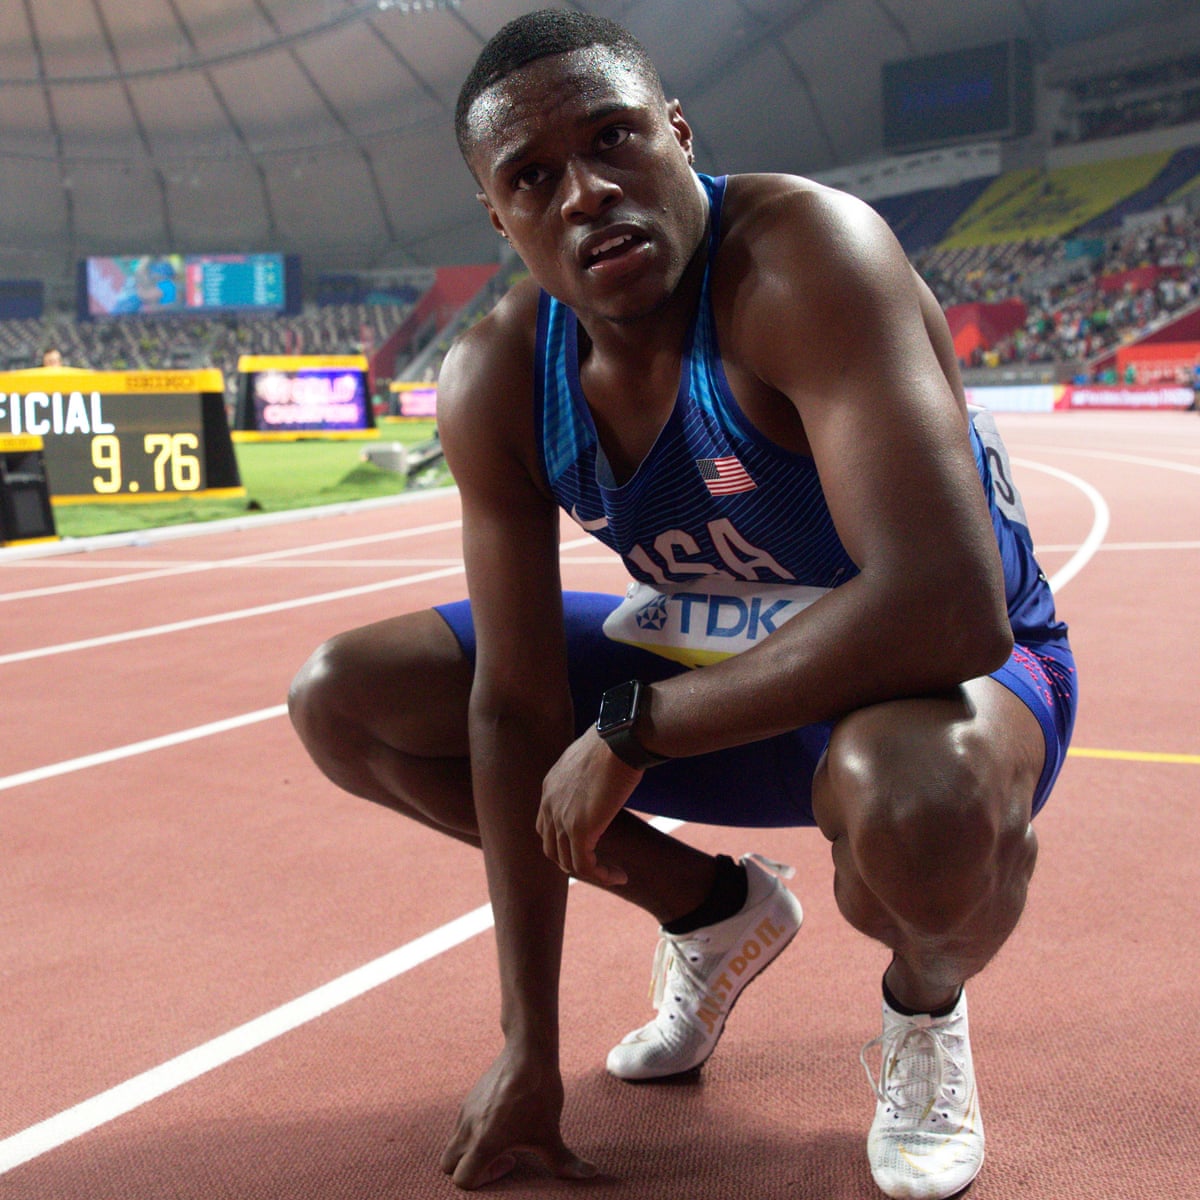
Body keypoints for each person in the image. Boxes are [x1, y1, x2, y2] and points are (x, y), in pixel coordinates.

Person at [288, 11, 1077, 1198]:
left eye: (615, 140)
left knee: (913, 808)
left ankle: (924, 1011)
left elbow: (946, 608)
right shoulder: (500, 373)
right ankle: (707, 913)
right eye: (534, 176)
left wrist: (635, 731)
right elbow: (510, 709)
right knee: (345, 698)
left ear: (678, 132)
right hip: (724, 673)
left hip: (943, 684)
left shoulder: (807, 259)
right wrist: (528, 1048)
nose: (588, 192)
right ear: (500, 219)